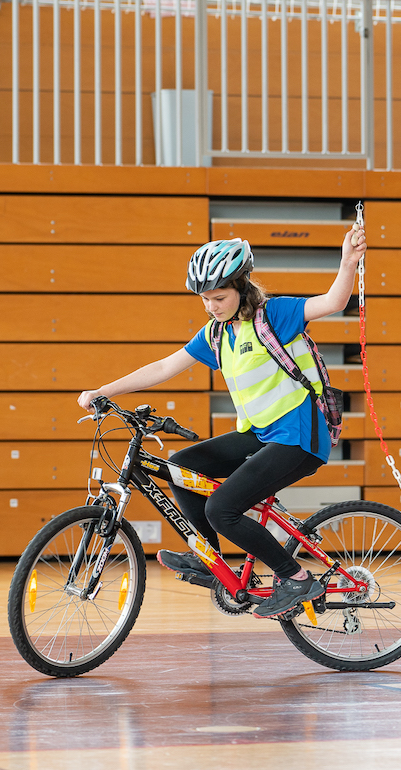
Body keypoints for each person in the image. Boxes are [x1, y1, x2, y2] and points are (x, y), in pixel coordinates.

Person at [78, 226, 365, 619]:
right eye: (205, 299)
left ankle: (295, 577)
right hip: (263, 433)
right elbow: (164, 366)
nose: (211, 306)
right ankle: (208, 558)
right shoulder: (217, 333)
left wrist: (348, 262)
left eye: (219, 297)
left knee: (221, 508)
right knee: (182, 465)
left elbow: (333, 301)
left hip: (299, 435)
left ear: (241, 288)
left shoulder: (273, 316)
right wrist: (103, 390)